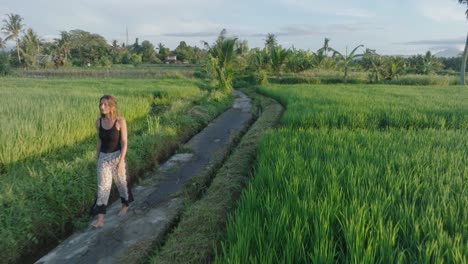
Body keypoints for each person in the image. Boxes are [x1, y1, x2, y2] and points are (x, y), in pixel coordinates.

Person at [91, 95, 133, 228]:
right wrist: (97, 158)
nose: (102, 107)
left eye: (105, 104)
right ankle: (100, 219)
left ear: (112, 106)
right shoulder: (99, 122)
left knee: (121, 183)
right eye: (101, 104)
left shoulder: (120, 121)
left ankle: (125, 204)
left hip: (117, 157)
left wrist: (121, 162)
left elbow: (124, 143)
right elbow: (99, 141)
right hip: (104, 158)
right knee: (103, 187)